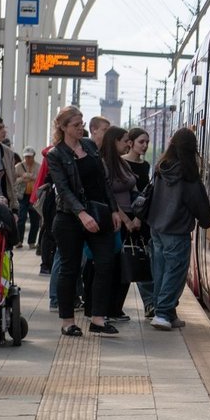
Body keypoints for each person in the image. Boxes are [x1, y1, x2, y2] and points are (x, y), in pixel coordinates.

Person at [47, 106, 121, 336]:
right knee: (70, 268)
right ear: (63, 127)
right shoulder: (55, 154)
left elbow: (103, 181)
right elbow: (64, 190)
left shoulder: (89, 146)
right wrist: (82, 214)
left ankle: (98, 318)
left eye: (82, 124)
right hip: (70, 218)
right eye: (76, 125)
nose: (81, 129)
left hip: (99, 214)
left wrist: (113, 209)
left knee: (106, 263)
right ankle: (68, 321)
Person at [147, 128, 210, 331]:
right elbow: (197, 202)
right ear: (192, 149)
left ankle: (167, 312)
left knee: (160, 271)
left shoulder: (161, 167)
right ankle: (163, 313)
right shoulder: (187, 174)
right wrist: (205, 221)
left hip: (156, 227)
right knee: (174, 273)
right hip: (176, 230)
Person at [98, 126, 137, 322]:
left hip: (129, 219)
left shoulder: (123, 163)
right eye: (125, 140)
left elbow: (134, 190)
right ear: (114, 142)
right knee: (113, 265)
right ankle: (108, 308)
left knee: (125, 265)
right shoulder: (104, 164)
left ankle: (116, 307)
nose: (128, 143)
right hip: (115, 220)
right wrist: (126, 219)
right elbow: (108, 196)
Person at [124, 128, 155, 318]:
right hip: (124, 217)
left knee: (143, 258)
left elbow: (146, 195)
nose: (144, 145)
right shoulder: (121, 163)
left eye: (147, 142)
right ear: (130, 142)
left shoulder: (145, 166)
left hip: (141, 219)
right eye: (141, 142)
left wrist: (139, 218)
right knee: (126, 259)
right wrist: (129, 218)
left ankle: (150, 303)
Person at [14, 147, 41, 248]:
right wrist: (22, 178)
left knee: (35, 219)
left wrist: (32, 177)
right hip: (22, 195)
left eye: (30, 157)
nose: (28, 159)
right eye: (26, 157)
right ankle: (19, 241)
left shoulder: (38, 166)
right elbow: (13, 181)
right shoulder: (18, 167)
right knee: (21, 217)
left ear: (34, 156)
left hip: (34, 195)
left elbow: (40, 180)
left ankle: (31, 242)